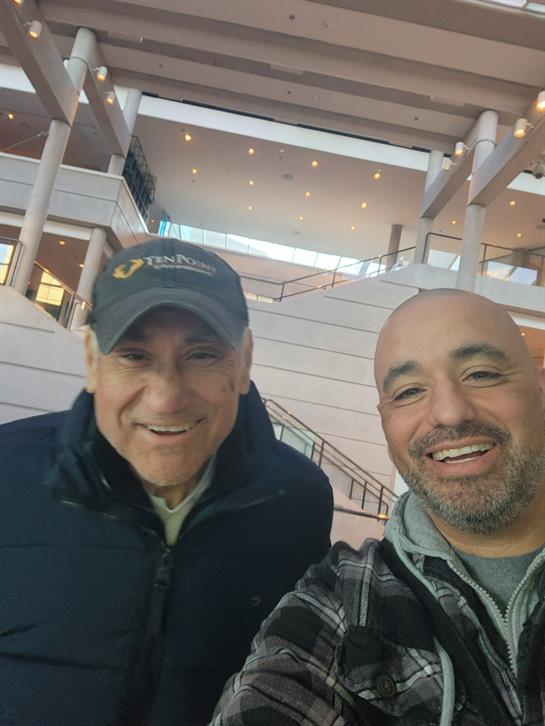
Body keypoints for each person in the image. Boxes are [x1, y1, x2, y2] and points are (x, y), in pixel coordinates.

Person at [0, 237, 333, 726]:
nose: (166, 399)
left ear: (243, 362)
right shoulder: (7, 469)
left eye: (202, 354)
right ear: (92, 360)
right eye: (134, 355)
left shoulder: (301, 500)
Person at [213, 288, 545, 725]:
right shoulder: (342, 605)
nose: (449, 412)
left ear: (540, 388)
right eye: (408, 392)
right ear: (385, 420)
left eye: (480, 374)